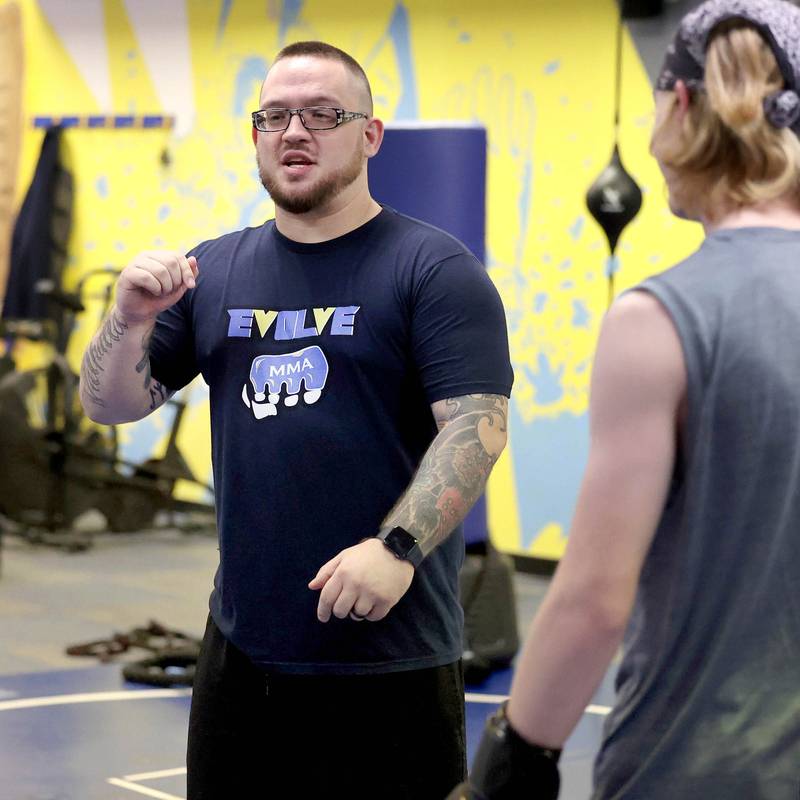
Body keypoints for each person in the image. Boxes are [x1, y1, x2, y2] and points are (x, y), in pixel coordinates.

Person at [78, 41, 513, 800]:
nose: (294, 132)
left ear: (369, 135)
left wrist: (397, 546)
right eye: (274, 115)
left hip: (392, 657)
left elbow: (477, 426)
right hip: (242, 652)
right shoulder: (214, 270)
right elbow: (109, 404)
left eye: (322, 113)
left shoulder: (433, 270)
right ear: (256, 135)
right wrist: (130, 319)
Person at [449, 1, 800, 798]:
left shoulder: (660, 321)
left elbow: (593, 603)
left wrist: (514, 762)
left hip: (699, 768)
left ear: (680, 106)